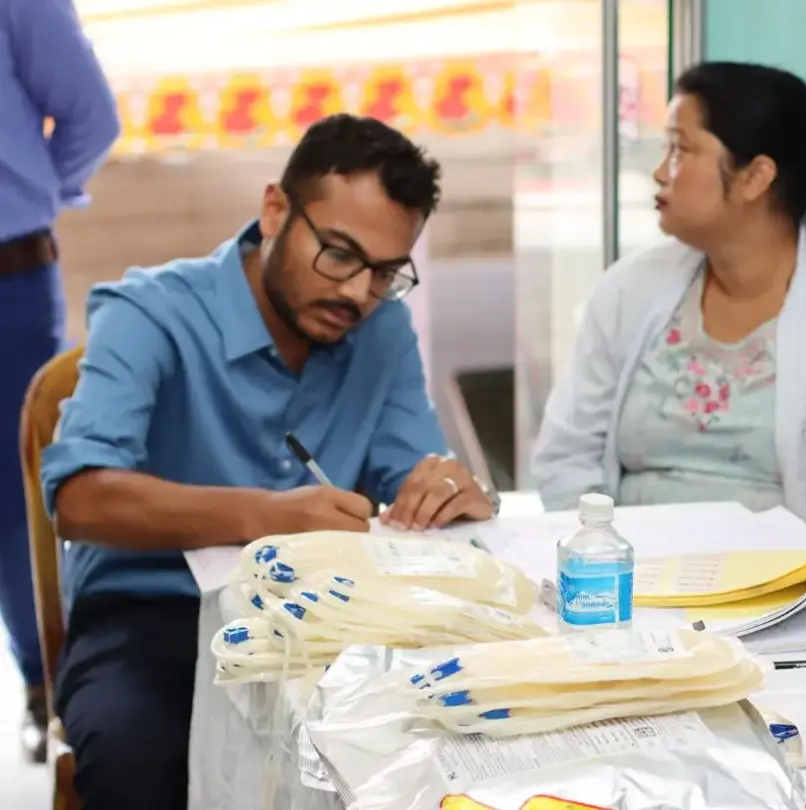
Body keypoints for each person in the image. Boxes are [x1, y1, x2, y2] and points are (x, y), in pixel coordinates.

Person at [41, 114, 497, 809]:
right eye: (339, 254)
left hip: (327, 617)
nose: (357, 293)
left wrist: (445, 489)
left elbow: (413, 471)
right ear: (275, 210)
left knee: (434, 749)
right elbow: (80, 498)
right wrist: (267, 516)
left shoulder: (382, 329)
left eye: (384, 273)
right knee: (138, 761)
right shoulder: (150, 313)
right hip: (153, 615)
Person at [531, 62, 806, 524]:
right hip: (627, 561)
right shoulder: (629, 288)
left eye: (680, 150)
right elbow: (566, 457)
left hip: (797, 567)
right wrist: (600, 551)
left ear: (755, 177)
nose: (659, 172)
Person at [0, 0, 120, 762]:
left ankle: (50, 686)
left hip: (8, 279)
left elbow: (90, 118)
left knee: (24, 497)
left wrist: (34, 190)